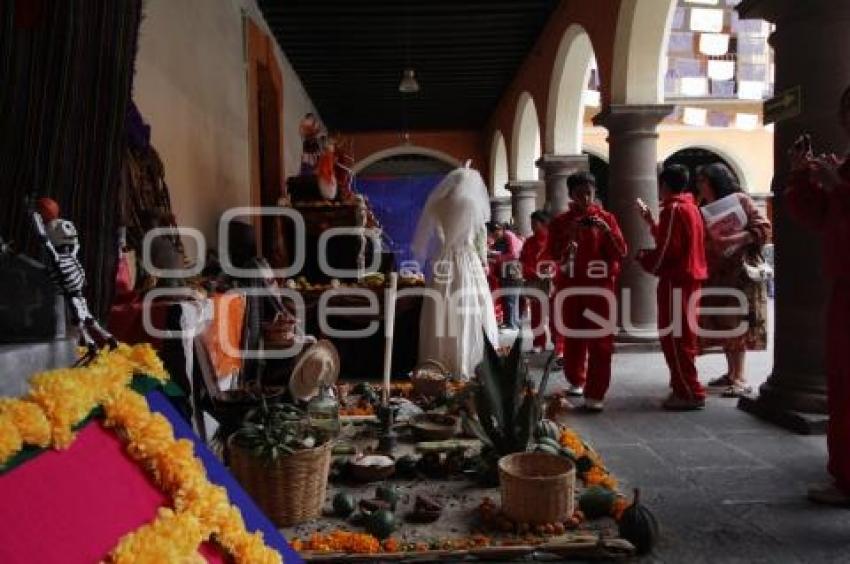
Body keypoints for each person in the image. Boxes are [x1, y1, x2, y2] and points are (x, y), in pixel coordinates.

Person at [786, 86, 850, 506]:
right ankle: (844, 477)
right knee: (842, 384)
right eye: (846, 110)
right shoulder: (845, 165)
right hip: (844, 286)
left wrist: (839, 186)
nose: (846, 119)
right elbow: (816, 217)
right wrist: (801, 177)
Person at [548, 172, 627, 411]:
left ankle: (596, 393)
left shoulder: (607, 219)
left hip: (600, 288)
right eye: (580, 192)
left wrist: (606, 231)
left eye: (589, 193)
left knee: (601, 342)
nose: (585, 197)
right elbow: (554, 254)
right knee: (573, 337)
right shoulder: (561, 222)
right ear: (571, 194)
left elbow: (621, 252)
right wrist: (570, 234)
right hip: (570, 287)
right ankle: (576, 379)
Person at [412, 164, 499, 380]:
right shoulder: (471, 204)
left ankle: (441, 362)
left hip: (443, 261)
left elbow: (428, 235)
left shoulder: (438, 203)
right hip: (467, 261)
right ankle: (469, 361)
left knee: (443, 310)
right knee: (469, 310)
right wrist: (483, 259)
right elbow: (479, 238)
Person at [696, 163, 772, 398]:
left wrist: (734, 238)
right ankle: (731, 374)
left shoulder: (741, 200)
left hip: (739, 275)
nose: (699, 186)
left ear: (715, 182)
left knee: (737, 323)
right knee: (724, 324)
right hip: (717, 275)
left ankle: (740, 377)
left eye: (703, 181)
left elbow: (763, 228)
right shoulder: (704, 207)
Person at [637, 165, 708, 411]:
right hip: (690, 280)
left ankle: (689, 392)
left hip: (676, 280)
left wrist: (645, 259)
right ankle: (683, 386)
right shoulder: (691, 208)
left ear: (664, 185)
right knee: (683, 336)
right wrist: (650, 222)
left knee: (675, 338)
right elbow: (672, 240)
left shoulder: (674, 210)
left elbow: (668, 250)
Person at [519, 210, 562, 355]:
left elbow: (560, 260)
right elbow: (522, 262)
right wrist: (533, 272)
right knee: (537, 316)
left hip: (552, 283)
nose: (532, 226)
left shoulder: (555, 241)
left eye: (534, 223)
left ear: (544, 224)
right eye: (531, 223)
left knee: (555, 316)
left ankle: (558, 343)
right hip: (535, 283)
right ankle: (539, 343)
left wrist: (552, 269)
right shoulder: (529, 242)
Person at [487, 222, 524, 330]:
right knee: (507, 298)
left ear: (499, 230)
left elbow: (514, 254)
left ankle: (513, 324)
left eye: (495, 234)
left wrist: (496, 256)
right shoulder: (501, 238)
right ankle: (510, 322)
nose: (494, 237)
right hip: (505, 271)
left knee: (511, 298)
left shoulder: (508, 235)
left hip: (513, 270)